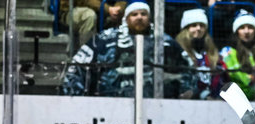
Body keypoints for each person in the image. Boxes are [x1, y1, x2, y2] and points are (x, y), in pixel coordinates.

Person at [60, 2, 198, 98]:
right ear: (126, 19)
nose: (139, 17)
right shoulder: (104, 40)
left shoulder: (166, 42)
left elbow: (188, 70)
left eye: (143, 14)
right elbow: (77, 69)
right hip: (108, 106)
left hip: (158, 107)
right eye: (134, 14)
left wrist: (187, 92)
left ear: (149, 18)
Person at [176, 8, 223, 100]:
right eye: (194, 25)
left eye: (202, 25)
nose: (198, 28)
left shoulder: (212, 52)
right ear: (186, 29)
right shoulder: (179, 51)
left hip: (213, 102)